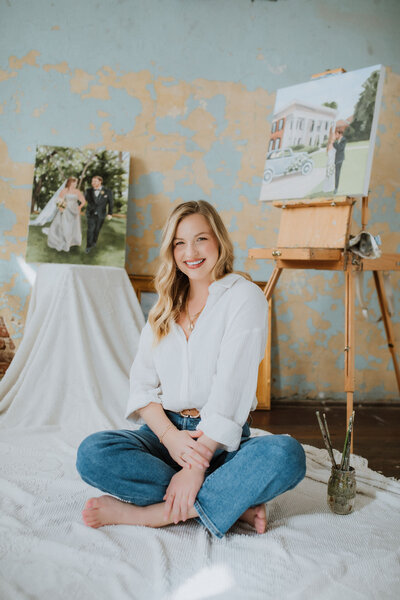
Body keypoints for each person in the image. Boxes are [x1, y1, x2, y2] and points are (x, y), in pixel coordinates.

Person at [76, 200, 306, 538]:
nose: (191, 252)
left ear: (218, 241)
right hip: (164, 435)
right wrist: (170, 439)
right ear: (171, 250)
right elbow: (142, 387)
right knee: (92, 454)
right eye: (179, 243)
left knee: (287, 455)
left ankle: (151, 515)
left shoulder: (244, 297)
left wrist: (197, 464)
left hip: (222, 441)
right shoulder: (165, 304)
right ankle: (230, 502)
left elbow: (233, 387)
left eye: (201, 239)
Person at [47, 177, 86, 252]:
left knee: (73, 226)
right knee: (65, 226)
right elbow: (59, 200)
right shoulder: (64, 190)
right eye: (74, 182)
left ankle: (72, 241)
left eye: (76, 183)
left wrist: (79, 207)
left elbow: (83, 201)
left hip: (74, 211)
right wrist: (61, 207)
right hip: (66, 210)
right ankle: (66, 242)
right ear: (70, 183)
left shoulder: (77, 191)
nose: (75, 184)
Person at [84, 175, 113, 253]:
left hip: (101, 214)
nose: (93, 183)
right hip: (90, 213)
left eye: (95, 181)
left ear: (100, 181)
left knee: (97, 230)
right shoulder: (88, 191)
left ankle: (94, 241)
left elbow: (110, 203)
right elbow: (83, 200)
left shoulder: (107, 191)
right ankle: (88, 246)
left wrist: (110, 213)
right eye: (92, 181)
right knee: (90, 230)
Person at [333, 125, 347, 194]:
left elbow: (339, 148)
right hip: (337, 159)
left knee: (337, 174)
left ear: (340, 134)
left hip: (340, 159)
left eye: (336, 134)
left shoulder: (344, 140)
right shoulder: (338, 140)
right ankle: (335, 187)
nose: (335, 135)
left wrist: (334, 143)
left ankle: (336, 188)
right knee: (336, 173)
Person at [323, 125, 336, 193]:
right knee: (330, 174)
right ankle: (329, 187)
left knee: (331, 175)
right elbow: (331, 155)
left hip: (331, 162)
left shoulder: (330, 145)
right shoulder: (330, 145)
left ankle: (331, 186)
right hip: (331, 162)